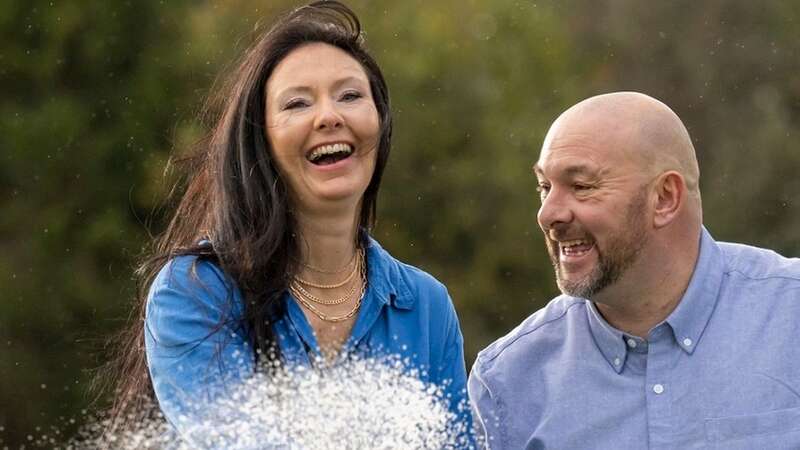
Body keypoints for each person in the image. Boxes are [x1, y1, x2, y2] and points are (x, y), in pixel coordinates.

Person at [103, 0, 469, 439]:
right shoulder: (196, 293)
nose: (329, 116)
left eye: (350, 95)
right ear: (261, 141)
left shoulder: (426, 307)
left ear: (380, 122)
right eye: (297, 103)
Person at [468, 92, 800, 449]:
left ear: (665, 198)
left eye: (581, 187)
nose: (548, 214)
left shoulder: (790, 317)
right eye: (544, 188)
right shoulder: (506, 381)